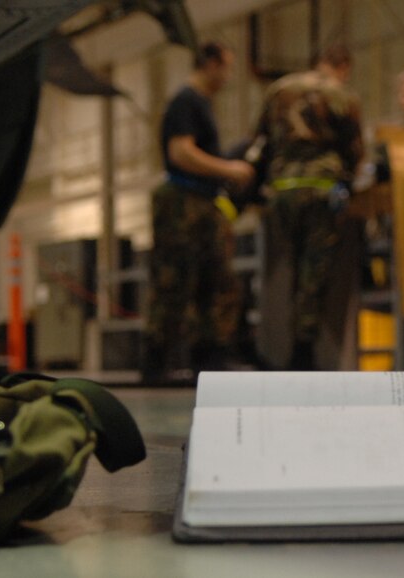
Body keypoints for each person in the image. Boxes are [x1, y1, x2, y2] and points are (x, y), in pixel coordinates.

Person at [143, 41, 255, 382]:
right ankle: (156, 361)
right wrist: (228, 169)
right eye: (227, 66)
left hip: (202, 202)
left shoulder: (201, 103)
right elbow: (180, 152)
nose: (229, 75)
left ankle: (209, 358)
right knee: (174, 282)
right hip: (182, 202)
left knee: (216, 280)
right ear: (210, 64)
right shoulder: (186, 100)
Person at [254, 44, 364, 370]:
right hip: (320, 192)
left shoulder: (279, 90)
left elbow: (260, 140)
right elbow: (355, 151)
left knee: (280, 272)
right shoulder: (342, 95)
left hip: (282, 191)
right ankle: (304, 351)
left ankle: (275, 350)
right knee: (314, 274)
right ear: (343, 66)